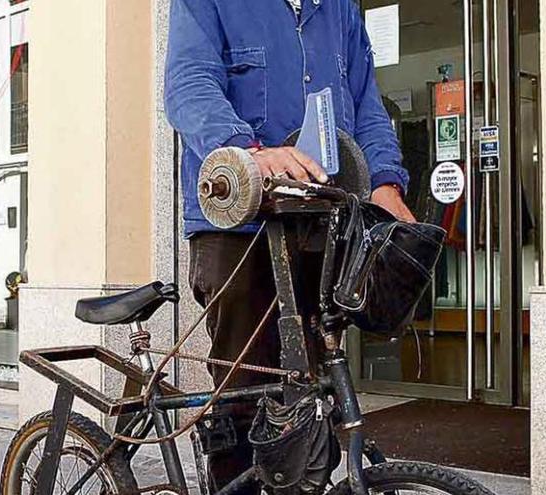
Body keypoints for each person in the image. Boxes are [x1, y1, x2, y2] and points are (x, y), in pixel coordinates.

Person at [164, 0, 413, 491]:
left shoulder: (340, 8)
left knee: (312, 386)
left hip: (321, 221)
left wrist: (386, 181)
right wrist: (250, 152)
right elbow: (189, 84)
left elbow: (366, 104)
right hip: (240, 224)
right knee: (245, 389)